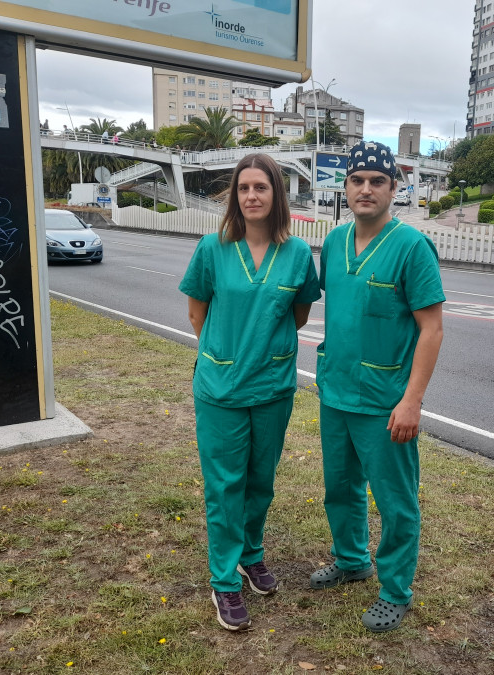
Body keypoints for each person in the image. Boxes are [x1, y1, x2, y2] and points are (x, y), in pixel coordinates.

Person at [179, 153, 321, 631]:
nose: (252, 196)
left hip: (273, 386)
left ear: (277, 194)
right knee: (225, 486)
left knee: (261, 481)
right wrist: (225, 356)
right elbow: (198, 314)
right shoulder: (212, 248)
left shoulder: (298, 254)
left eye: (261, 187)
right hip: (220, 387)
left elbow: (297, 315)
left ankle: (250, 553)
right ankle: (224, 580)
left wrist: (263, 351)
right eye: (244, 188)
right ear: (234, 196)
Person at [310, 141, 445, 632]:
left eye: (378, 181)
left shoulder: (411, 247)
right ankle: (350, 561)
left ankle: (395, 589)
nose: (366, 189)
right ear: (345, 187)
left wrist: (412, 401)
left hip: (385, 401)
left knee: (395, 500)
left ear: (395, 189)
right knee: (340, 488)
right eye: (357, 180)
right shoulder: (334, 243)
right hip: (337, 391)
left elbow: (431, 329)